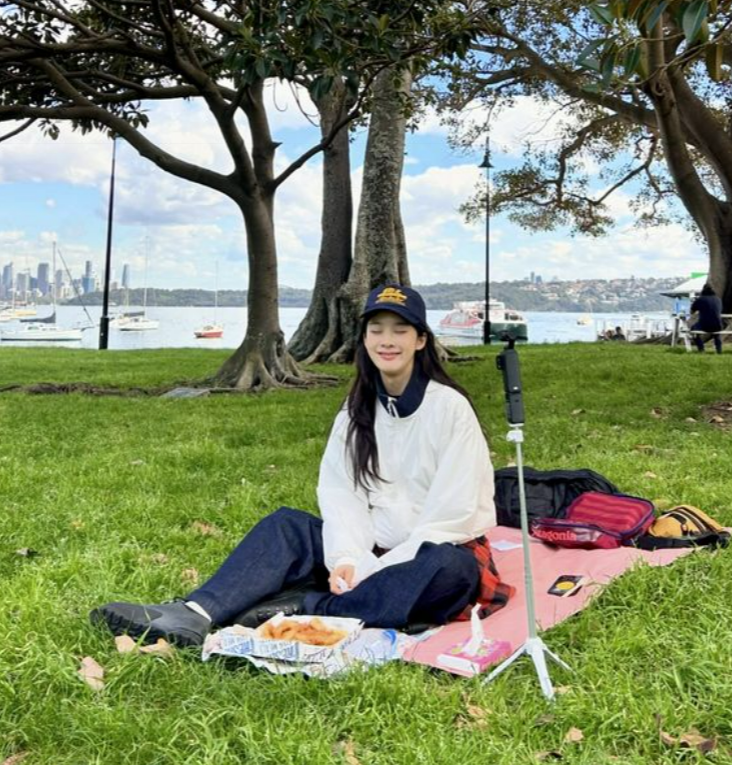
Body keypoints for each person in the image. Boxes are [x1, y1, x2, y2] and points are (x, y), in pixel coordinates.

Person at [91, 284, 514, 647]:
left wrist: (372, 568)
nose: (387, 340)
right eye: (377, 329)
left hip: (430, 551)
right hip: (369, 547)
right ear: (364, 339)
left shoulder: (449, 409)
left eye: (400, 330)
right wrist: (348, 556)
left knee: (449, 572)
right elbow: (341, 492)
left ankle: (309, 606)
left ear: (420, 340)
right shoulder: (357, 410)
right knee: (286, 526)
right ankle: (196, 613)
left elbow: (453, 514)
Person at [691, 283, 724, 354]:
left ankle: (701, 349)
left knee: (693, 330)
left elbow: (692, 311)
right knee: (716, 334)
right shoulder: (718, 299)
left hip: (705, 325)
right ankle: (719, 350)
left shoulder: (700, 299)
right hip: (718, 325)